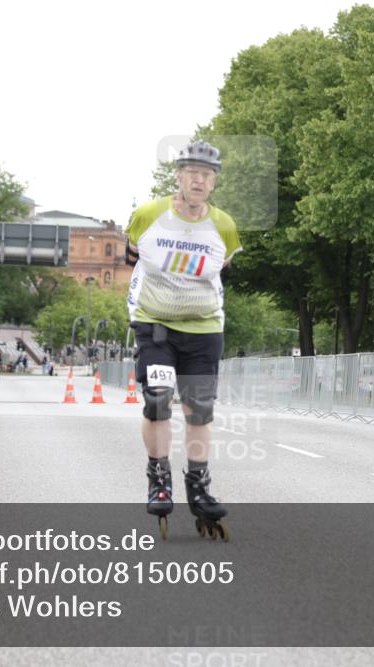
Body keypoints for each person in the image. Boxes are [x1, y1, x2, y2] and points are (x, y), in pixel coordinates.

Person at [125, 140, 242, 541]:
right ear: (178, 176)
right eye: (191, 171)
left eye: (206, 174)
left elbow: (222, 267)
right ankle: (159, 478)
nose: (198, 179)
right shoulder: (148, 215)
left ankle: (199, 486)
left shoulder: (223, 226)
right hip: (155, 324)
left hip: (204, 330)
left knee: (199, 411)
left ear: (213, 183)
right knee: (157, 396)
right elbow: (132, 253)